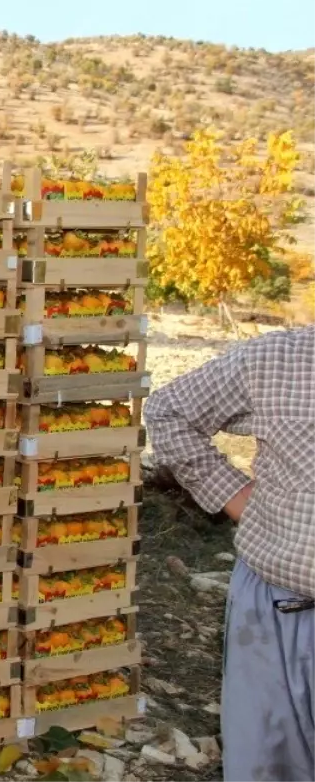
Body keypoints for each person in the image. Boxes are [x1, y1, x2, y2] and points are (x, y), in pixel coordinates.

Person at [142, 324, 315, 782]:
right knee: (265, 768)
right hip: (275, 612)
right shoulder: (282, 357)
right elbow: (169, 410)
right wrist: (236, 497)